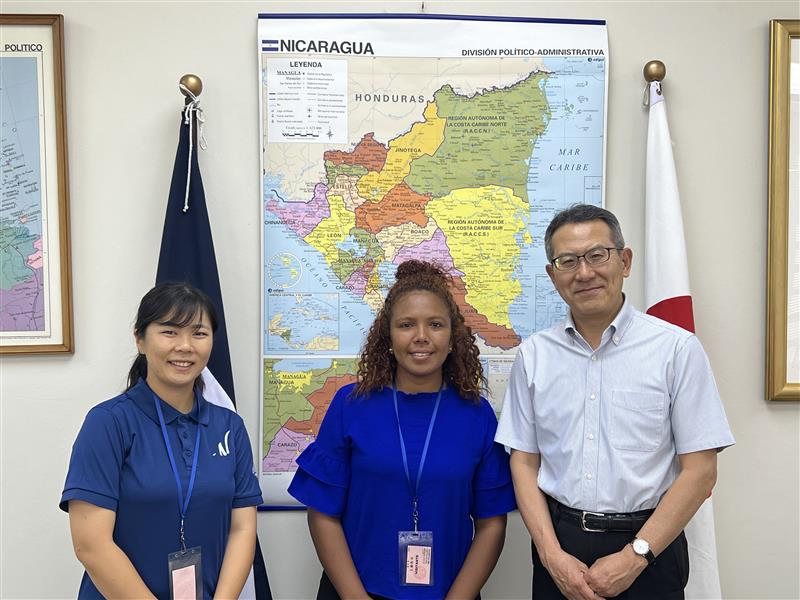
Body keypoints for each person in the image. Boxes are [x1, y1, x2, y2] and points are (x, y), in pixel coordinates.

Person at [495, 204, 734, 600]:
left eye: (597, 255)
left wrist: (636, 555)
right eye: (568, 261)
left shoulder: (676, 349)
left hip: (650, 548)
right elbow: (523, 460)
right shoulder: (534, 356)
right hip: (560, 548)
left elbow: (700, 470)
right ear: (553, 276)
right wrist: (552, 556)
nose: (584, 272)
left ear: (624, 261)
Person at [289, 260, 517, 600]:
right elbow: (322, 513)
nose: (421, 337)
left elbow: (491, 524)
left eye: (435, 325)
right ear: (388, 336)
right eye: (406, 324)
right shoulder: (350, 405)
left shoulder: (477, 415)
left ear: (453, 338)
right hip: (355, 593)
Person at [60, 282, 263, 599]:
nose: (185, 346)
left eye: (198, 333)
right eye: (169, 332)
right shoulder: (108, 423)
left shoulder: (229, 427)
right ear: (140, 340)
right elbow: (91, 544)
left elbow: (242, 529)